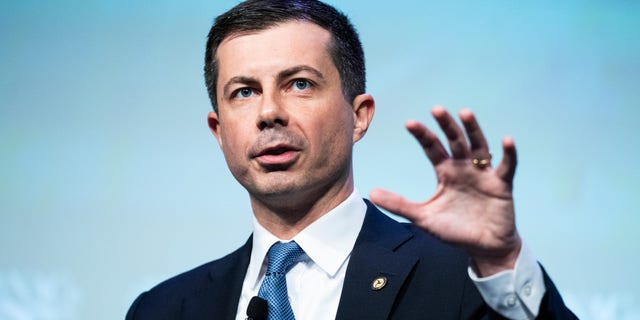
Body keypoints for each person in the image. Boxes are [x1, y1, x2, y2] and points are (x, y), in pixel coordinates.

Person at [126, 0, 577, 319]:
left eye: (299, 84)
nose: (268, 113)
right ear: (219, 132)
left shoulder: (461, 277)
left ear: (359, 116)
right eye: (244, 92)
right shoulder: (165, 309)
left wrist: (501, 262)